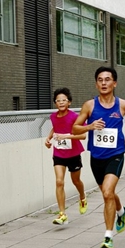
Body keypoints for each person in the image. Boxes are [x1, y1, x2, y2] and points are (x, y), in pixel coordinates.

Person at [72, 66, 125, 248]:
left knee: (108, 192)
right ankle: (121, 211)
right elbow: (75, 128)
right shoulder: (90, 105)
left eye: (107, 79)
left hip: (116, 154)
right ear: (96, 84)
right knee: (107, 193)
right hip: (96, 157)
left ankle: (108, 236)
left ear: (114, 83)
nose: (104, 83)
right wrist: (90, 126)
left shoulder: (123, 105)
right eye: (100, 80)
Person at [45, 88, 88, 225]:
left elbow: (83, 135)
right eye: (58, 100)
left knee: (76, 181)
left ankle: (82, 196)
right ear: (55, 103)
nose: (61, 102)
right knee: (59, 181)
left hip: (73, 153)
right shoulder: (52, 116)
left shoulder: (75, 117)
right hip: (58, 152)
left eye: (64, 100)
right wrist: (48, 138)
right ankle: (62, 214)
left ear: (69, 102)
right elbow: (55, 127)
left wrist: (67, 136)